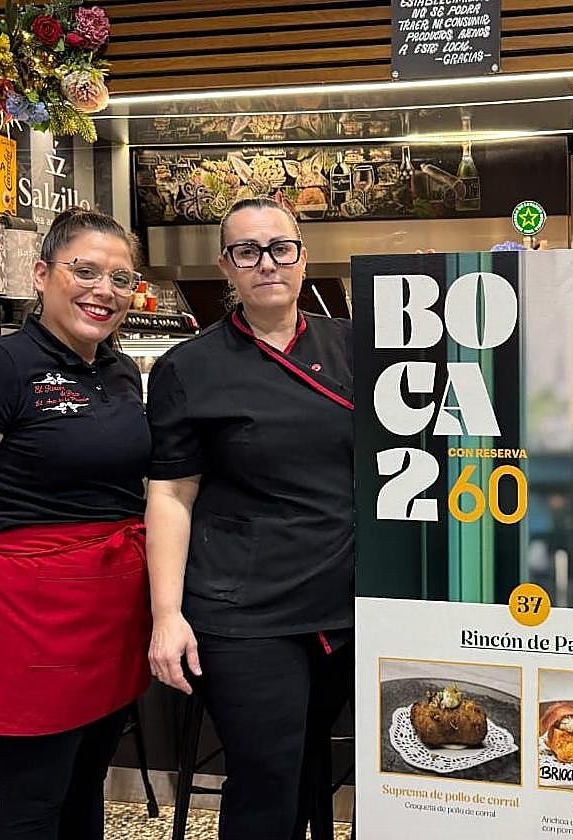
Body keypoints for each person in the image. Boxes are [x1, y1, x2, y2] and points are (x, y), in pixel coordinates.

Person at [145, 197, 354, 840]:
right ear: (225, 267)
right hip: (244, 611)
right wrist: (166, 615)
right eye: (247, 251)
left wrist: (569, 279)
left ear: (303, 257)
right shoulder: (190, 367)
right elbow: (171, 493)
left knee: (313, 766)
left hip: (346, 603)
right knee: (267, 780)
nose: (267, 263)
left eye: (280, 248)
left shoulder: (354, 344)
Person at [0, 208, 151, 839]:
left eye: (120, 279)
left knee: (85, 788)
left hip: (111, 607)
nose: (104, 290)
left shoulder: (119, 370)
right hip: (27, 612)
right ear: (40, 274)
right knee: (33, 804)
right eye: (85, 271)